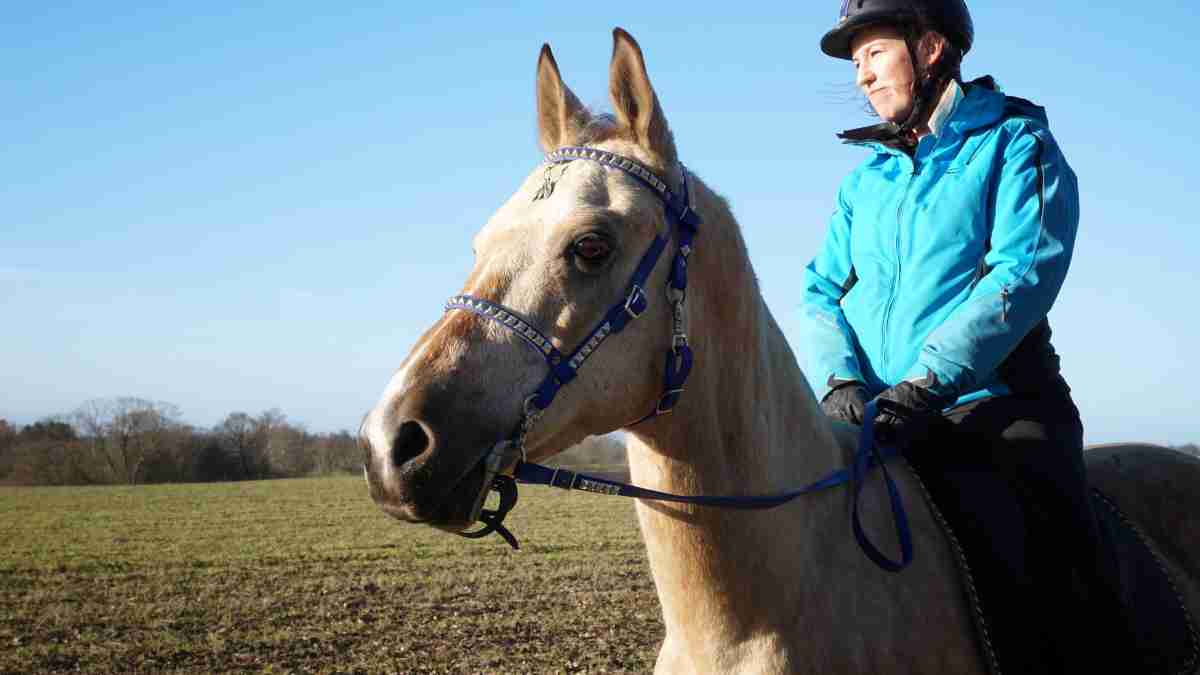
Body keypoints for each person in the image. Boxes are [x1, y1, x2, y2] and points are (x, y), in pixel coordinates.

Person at [798, 0, 1129, 671]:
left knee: (1061, 580)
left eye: (874, 52)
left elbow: (1023, 272)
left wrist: (927, 382)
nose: (861, 75)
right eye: (856, 60)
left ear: (930, 49)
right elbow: (819, 289)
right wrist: (841, 380)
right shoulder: (866, 180)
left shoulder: (1015, 142)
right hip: (879, 418)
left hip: (995, 406)